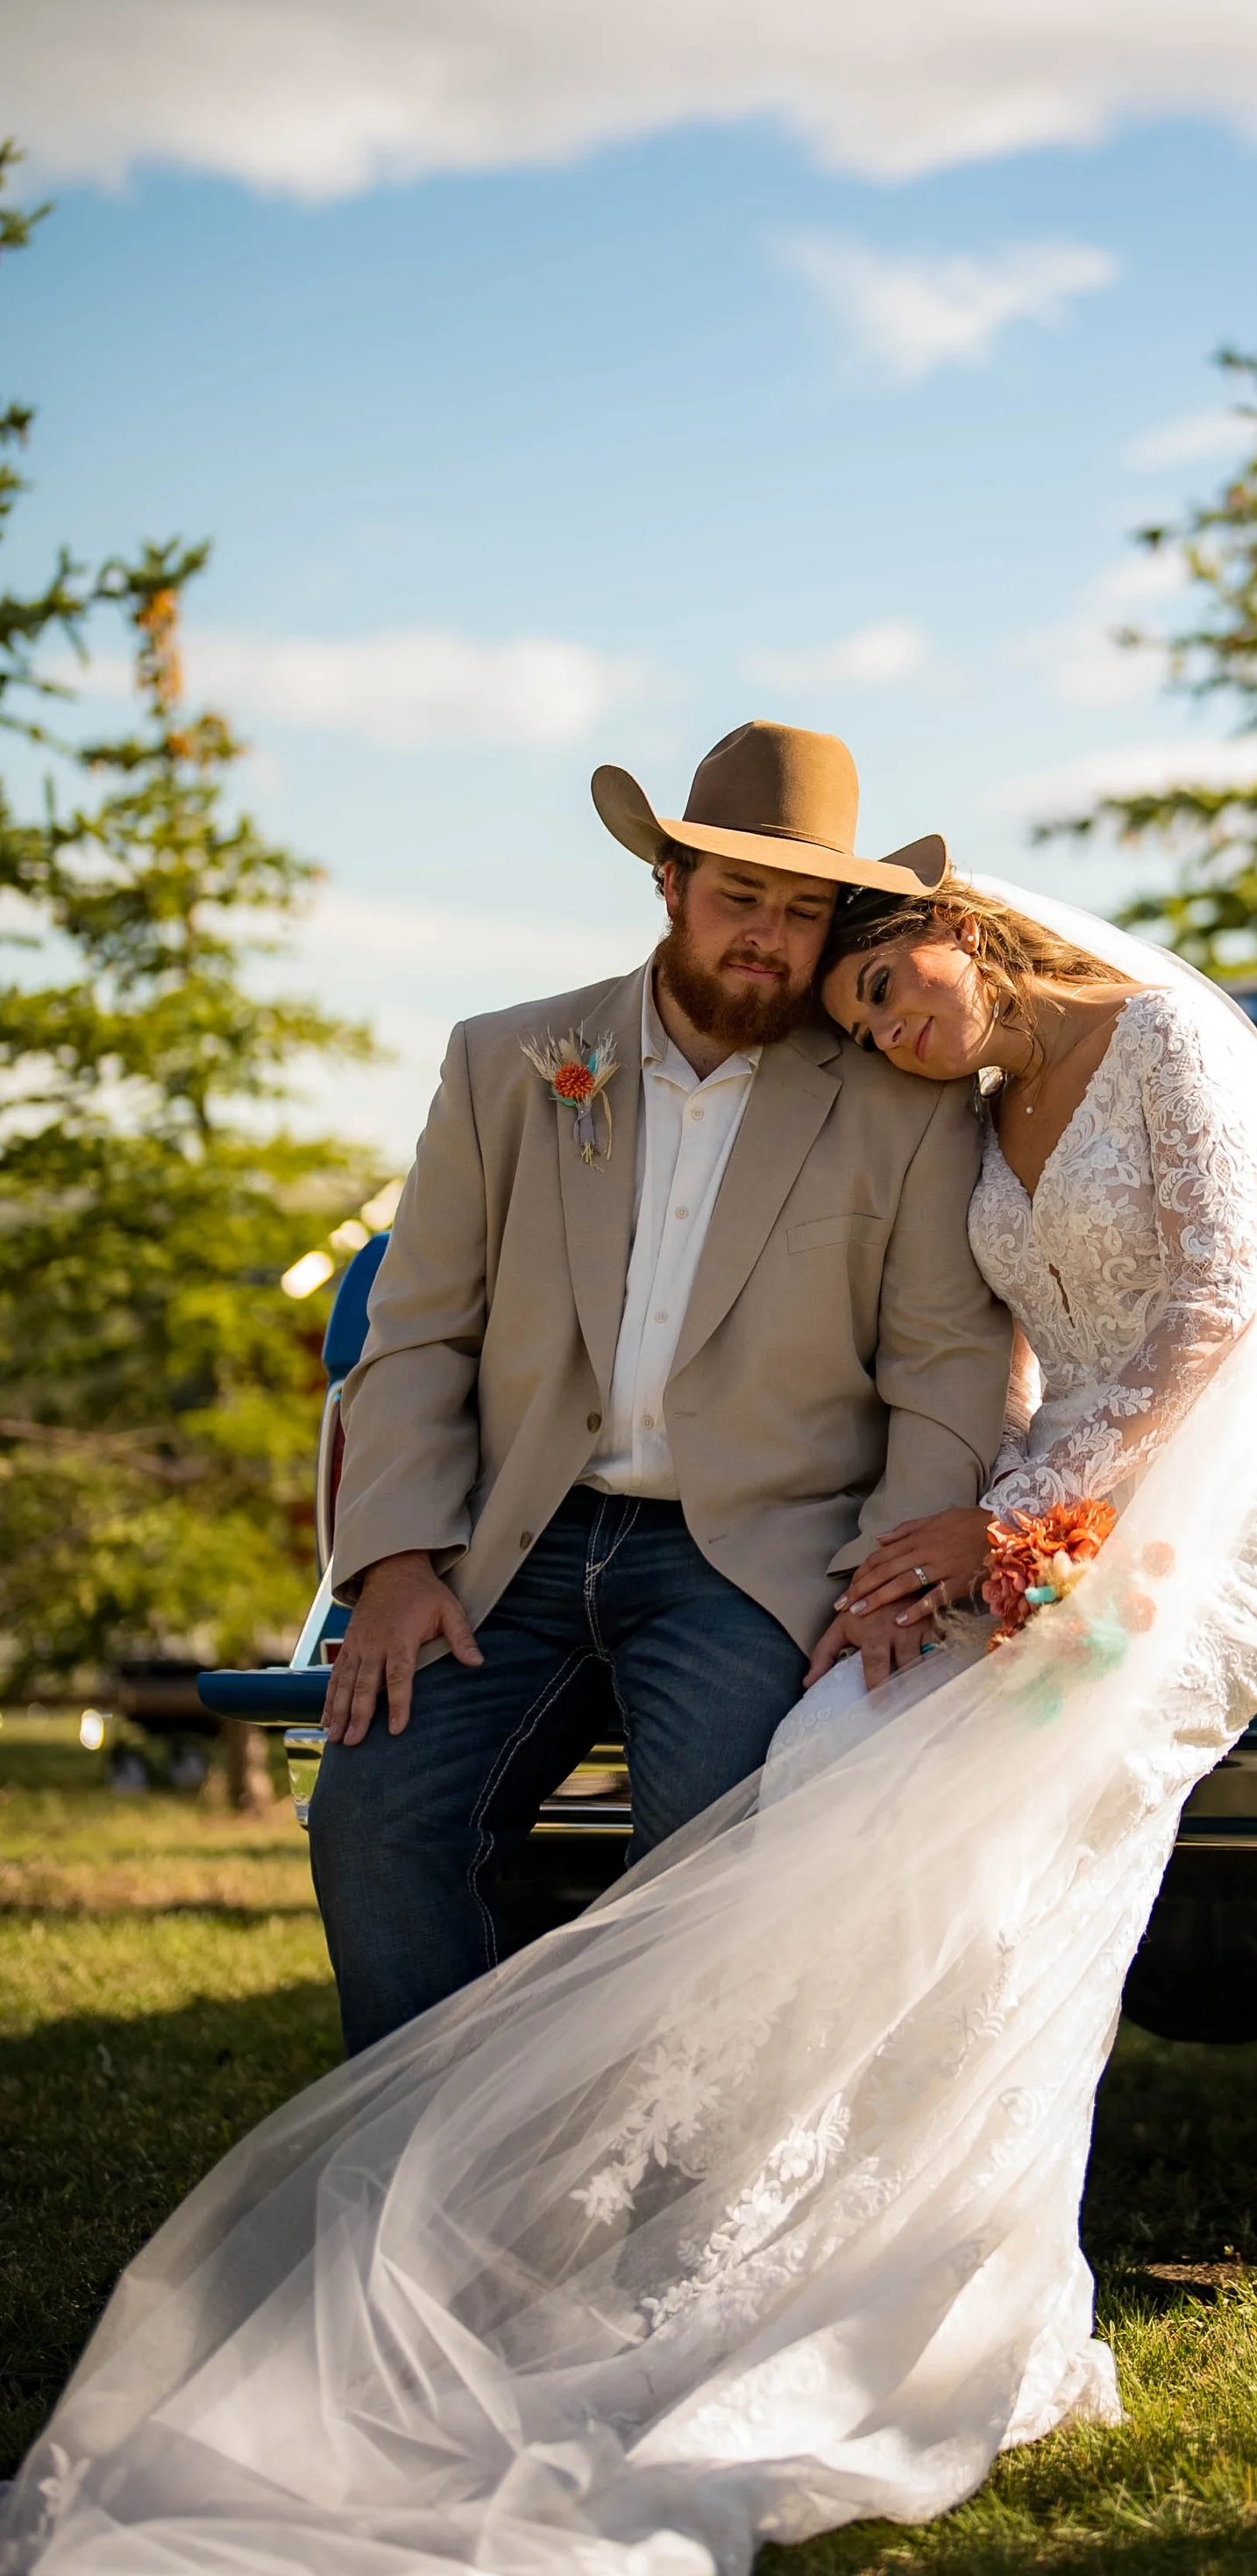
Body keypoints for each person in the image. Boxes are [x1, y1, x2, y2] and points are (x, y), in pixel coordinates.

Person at [0, 872, 1257, 2576]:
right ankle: (545, 2227)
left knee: (973, 1842)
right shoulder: (876, 1090)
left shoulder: (1163, 1043)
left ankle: (968, 2299)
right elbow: (961, 1345)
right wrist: (957, 1532)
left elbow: (1200, 1328)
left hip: (1208, 1527)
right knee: (826, 1763)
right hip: (957, 1516)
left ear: (960, 922)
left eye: (881, 976)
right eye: (852, 1004)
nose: (873, 1017)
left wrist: (1000, 1536)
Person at [309, 717, 1012, 2049]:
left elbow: (947, 1361)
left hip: (750, 1556)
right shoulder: (506, 1062)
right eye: (740, 894)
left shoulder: (908, 1104)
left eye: (804, 909)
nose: (769, 934)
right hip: (514, 1535)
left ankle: (650, 2185)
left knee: (711, 1851)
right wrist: (396, 1558)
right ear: (669, 885)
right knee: (377, 1813)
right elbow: (417, 1332)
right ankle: (432, 2174)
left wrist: (893, 1575)